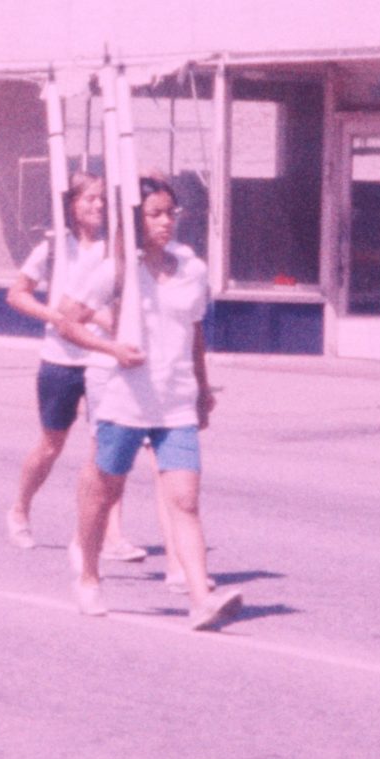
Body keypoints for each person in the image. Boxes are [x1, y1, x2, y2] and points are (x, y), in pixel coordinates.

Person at [56, 176, 241, 629]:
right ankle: (89, 575)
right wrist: (112, 349)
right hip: (126, 403)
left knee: (185, 500)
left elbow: (195, 335)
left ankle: (200, 600)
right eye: (155, 214)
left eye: (170, 213)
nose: (165, 222)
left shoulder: (193, 270)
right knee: (103, 493)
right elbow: (68, 322)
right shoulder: (118, 271)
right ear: (136, 219)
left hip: (175, 404)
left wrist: (202, 391)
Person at [2, 172, 143, 558]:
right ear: (71, 205)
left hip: (102, 358)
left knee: (106, 449)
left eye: (101, 200)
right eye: (89, 199)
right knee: (51, 445)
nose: (97, 206)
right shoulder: (54, 248)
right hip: (60, 360)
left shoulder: (115, 250)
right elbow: (17, 295)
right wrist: (60, 319)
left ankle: (111, 534)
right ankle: (20, 509)